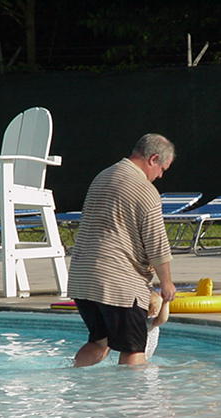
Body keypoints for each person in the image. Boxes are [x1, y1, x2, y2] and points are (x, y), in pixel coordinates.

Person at [68, 133, 176, 367]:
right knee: (133, 350)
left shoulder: (103, 176)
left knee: (99, 342)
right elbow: (157, 244)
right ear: (153, 158)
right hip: (118, 283)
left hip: (82, 278)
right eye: (162, 169)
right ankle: (131, 393)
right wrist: (167, 283)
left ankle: (73, 382)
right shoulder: (145, 190)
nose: (160, 176)